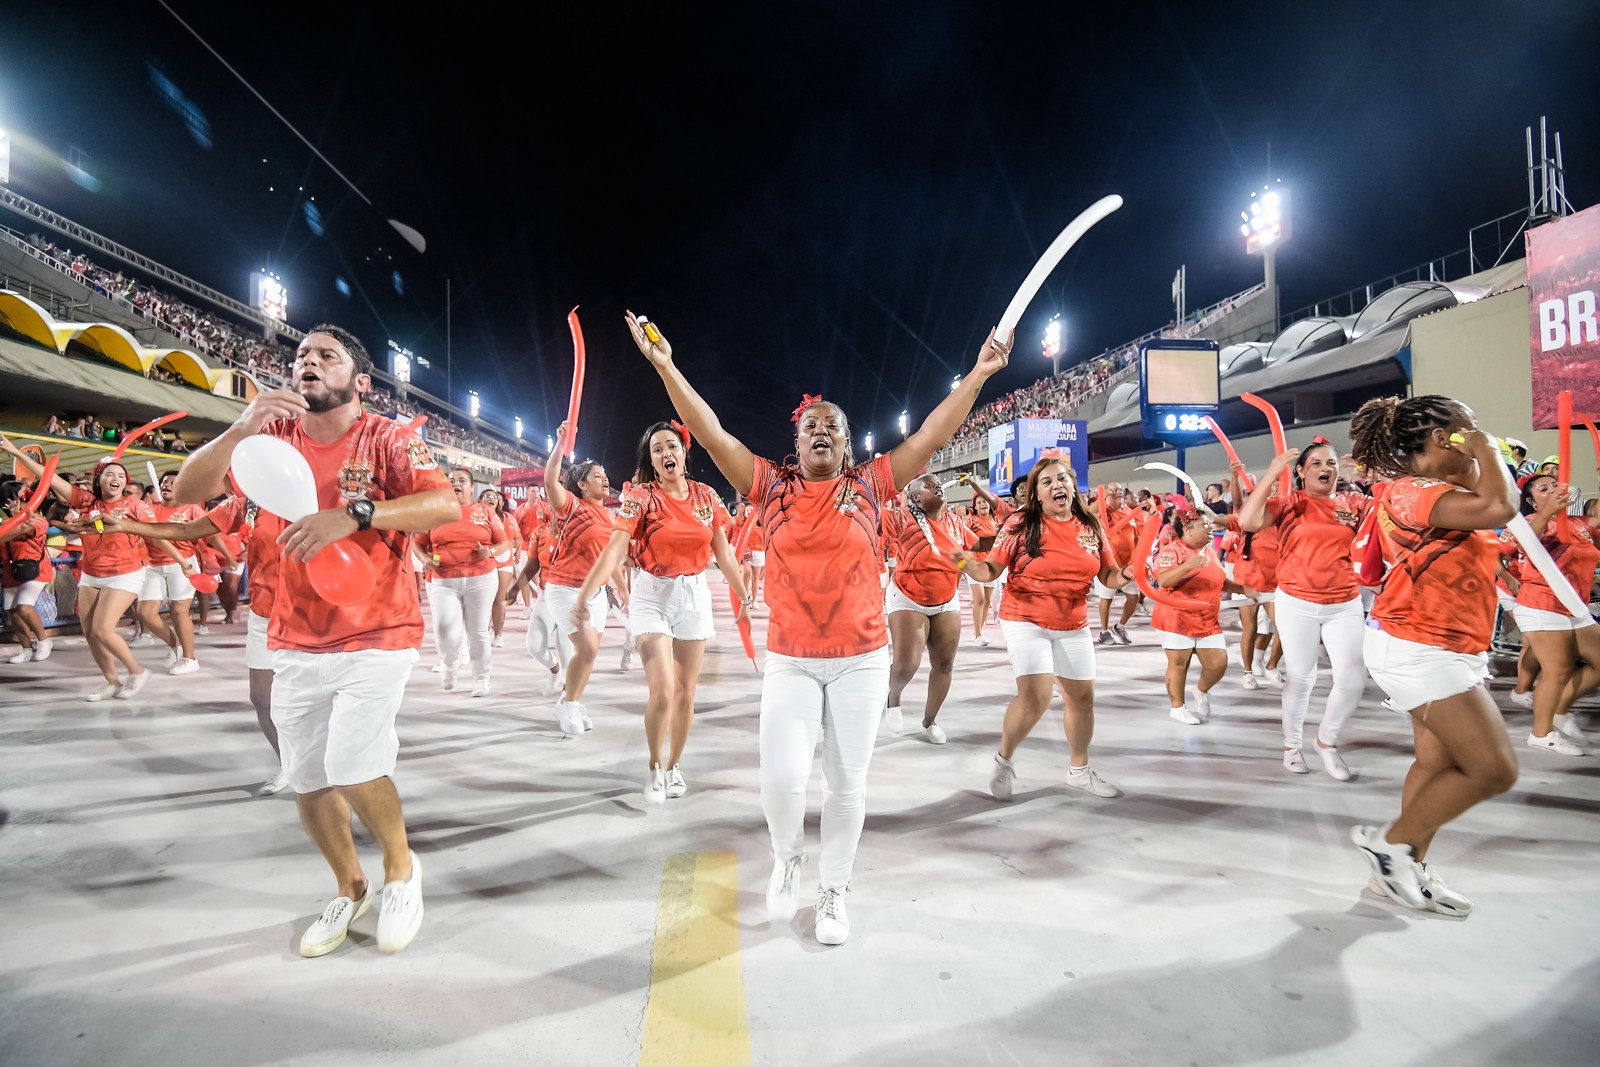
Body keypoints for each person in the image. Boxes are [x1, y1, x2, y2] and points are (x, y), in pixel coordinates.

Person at [627, 308, 1011, 946]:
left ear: (848, 440)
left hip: (862, 659)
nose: (822, 431)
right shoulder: (768, 486)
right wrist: (666, 366)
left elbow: (934, 437)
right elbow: (710, 428)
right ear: (796, 441)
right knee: (781, 776)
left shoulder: (872, 485)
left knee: (846, 783)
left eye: (833, 424)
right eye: (811, 426)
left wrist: (978, 373)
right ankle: (788, 858)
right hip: (793, 659)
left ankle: (834, 890)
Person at [171, 324, 455, 957]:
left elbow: (444, 506)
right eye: (301, 355)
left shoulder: (387, 436)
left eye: (327, 355)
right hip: (295, 636)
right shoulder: (269, 440)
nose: (308, 363)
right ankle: (349, 886)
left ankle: (401, 870)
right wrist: (242, 425)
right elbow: (186, 494)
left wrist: (355, 514)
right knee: (305, 776)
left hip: (380, 629)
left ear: (359, 381)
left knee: (352, 762)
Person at [1344, 395, 1520, 915]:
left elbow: (1489, 505)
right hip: (1419, 646)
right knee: (1494, 770)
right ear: (1444, 439)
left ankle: (1402, 868)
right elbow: (1498, 507)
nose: (1475, 442)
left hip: (1448, 643)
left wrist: (1477, 458)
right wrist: (1486, 449)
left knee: (1436, 762)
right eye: (1467, 432)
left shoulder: (1436, 489)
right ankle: (1390, 845)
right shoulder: (1411, 490)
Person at [569, 420, 750, 801]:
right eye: (657, 449)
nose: (665, 453)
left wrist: (744, 598)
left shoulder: (706, 496)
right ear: (651, 460)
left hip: (694, 595)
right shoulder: (641, 496)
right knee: (663, 692)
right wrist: (585, 593)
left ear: (684, 451)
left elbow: (724, 552)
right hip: (651, 595)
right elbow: (617, 547)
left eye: (671, 446)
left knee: (685, 694)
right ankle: (653, 763)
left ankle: (674, 767)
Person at [956, 457, 1134, 802]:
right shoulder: (1020, 523)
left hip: (1073, 621)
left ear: (1073, 486)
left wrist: (1130, 574)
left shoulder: (1090, 525)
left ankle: (1079, 772)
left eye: (1063, 479)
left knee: (1082, 699)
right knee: (1035, 696)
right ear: (1036, 494)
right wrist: (965, 563)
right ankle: (1004, 761)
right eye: (1048, 481)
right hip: (1025, 618)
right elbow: (991, 569)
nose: (1058, 486)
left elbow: (1109, 576)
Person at [1, 435, 181, 700]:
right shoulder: (86, 501)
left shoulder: (135, 505)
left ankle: (136, 672)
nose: (116, 478)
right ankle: (111, 682)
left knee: (103, 630)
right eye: (109, 474)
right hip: (91, 574)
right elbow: (49, 477)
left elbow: (156, 535)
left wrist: (183, 561)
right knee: (91, 635)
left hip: (126, 573)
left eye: (120, 474)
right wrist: (15, 451)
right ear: (99, 480)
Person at [1238, 437, 1370, 781]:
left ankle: (1326, 741)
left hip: (1344, 602)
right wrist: (1270, 474)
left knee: (1353, 678)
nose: (1326, 469)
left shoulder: (1354, 502)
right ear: (1301, 471)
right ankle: (1291, 746)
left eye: (1331, 464)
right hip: (1297, 601)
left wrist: (1374, 473)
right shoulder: (1290, 502)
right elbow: (1249, 522)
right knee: (1301, 678)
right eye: (1316, 464)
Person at [541, 423, 622, 735]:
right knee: (587, 649)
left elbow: (609, 557)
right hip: (563, 589)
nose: (605, 479)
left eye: (604, 475)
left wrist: (622, 589)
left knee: (588, 654)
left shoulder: (612, 517)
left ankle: (571, 699)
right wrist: (561, 444)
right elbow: (550, 479)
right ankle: (568, 704)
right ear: (583, 486)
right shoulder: (572, 506)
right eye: (597, 476)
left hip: (596, 594)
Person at [881, 474, 975, 743]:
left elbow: (979, 543)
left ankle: (929, 721)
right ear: (916, 498)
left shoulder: (955, 521)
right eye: (929, 484)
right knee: (906, 665)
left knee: (944, 664)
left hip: (946, 598)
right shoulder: (901, 519)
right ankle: (893, 697)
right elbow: (868, 518)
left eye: (938, 482)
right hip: (908, 596)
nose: (937, 485)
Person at [1512, 475, 1599, 755]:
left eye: (1555, 484)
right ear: (1531, 500)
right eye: (1543, 488)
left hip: (1574, 606)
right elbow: (1526, 545)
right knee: (1558, 670)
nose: (1552, 490)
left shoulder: (1577, 524)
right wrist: (1547, 512)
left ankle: (1560, 711)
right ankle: (1541, 733)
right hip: (1542, 604)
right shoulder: (1531, 523)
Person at [414, 469, 509, 698]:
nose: (456, 484)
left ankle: (481, 678)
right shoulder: (434, 512)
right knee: (447, 629)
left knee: (477, 632)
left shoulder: (485, 511)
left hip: (481, 579)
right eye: (452, 480)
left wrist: (491, 551)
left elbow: (504, 542)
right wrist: (426, 559)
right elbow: (417, 543)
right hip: (444, 581)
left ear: (471, 487)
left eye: (462, 481)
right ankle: (449, 666)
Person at [1151, 506, 1231, 725]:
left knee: (1218, 663)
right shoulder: (1172, 551)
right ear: (1187, 530)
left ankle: (1201, 690)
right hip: (1176, 617)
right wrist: (1187, 565)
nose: (1210, 528)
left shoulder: (1209, 550)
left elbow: (1218, 579)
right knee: (1178, 664)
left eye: (1210, 525)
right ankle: (1177, 707)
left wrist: (1243, 589)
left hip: (1206, 618)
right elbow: (1164, 580)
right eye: (1205, 525)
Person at [1, 481, 54, 662]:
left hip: (35, 570)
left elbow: (21, 529)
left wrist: (17, 515)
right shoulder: (3, 522)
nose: (28, 500)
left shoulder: (37, 519)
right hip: (10, 571)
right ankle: (26, 648)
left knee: (24, 607)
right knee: (12, 611)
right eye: (24, 497)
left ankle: (44, 641)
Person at [961, 478, 1008, 646]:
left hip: (992, 564)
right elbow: (962, 534)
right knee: (979, 599)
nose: (983, 505)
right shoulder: (970, 520)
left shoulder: (996, 521)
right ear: (974, 506)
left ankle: (977, 632)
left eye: (985, 502)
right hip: (975, 565)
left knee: (987, 600)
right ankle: (979, 633)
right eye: (979, 502)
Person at [1095, 484, 1142, 645]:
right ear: (1107, 495)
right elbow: (1093, 513)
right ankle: (1103, 631)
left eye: (1120, 490)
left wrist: (1139, 558)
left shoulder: (1130, 512)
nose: (1119, 493)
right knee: (1107, 599)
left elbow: (1136, 537)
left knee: (1133, 598)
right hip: (1110, 565)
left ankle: (1120, 626)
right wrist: (1102, 498)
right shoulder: (1104, 513)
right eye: (1114, 491)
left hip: (1129, 564)